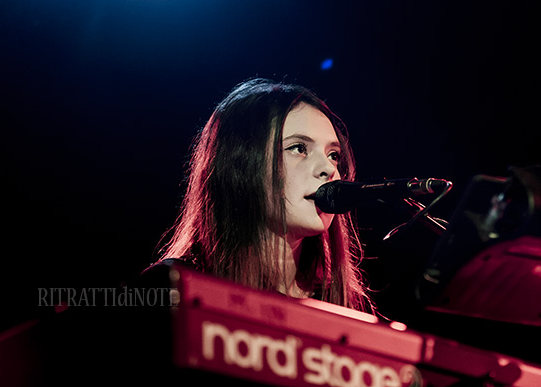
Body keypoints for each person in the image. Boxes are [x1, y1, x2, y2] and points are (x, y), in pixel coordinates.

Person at [149, 77, 373, 312]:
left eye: (333, 155)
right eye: (299, 148)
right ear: (242, 166)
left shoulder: (347, 306)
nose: (329, 169)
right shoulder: (172, 288)